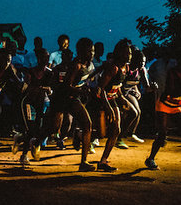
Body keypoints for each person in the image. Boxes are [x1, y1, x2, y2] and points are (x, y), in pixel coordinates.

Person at [34, 38, 97, 172]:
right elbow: (67, 86)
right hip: (61, 98)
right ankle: (35, 141)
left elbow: (91, 75)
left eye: (93, 50)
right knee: (53, 128)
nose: (92, 53)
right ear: (81, 51)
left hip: (72, 99)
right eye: (89, 50)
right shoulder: (76, 66)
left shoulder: (90, 65)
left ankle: (83, 162)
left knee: (87, 124)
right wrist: (81, 90)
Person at [145, 48, 181, 170]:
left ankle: (165, 131)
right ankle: (150, 159)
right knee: (161, 135)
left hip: (176, 105)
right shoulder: (172, 71)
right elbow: (172, 90)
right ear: (180, 60)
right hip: (164, 104)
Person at [87, 40, 131, 172]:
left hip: (111, 100)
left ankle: (103, 161)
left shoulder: (126, 68)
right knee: (101, 134)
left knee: (115, 130)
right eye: (126, 53)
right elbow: (101, 89)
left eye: (130, 53)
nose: (129, 55)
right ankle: (80, 136)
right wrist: (108, 107)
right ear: (119, 53)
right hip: (100, 101)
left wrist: (122, 98)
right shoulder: (113, 68)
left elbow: (117, 87)